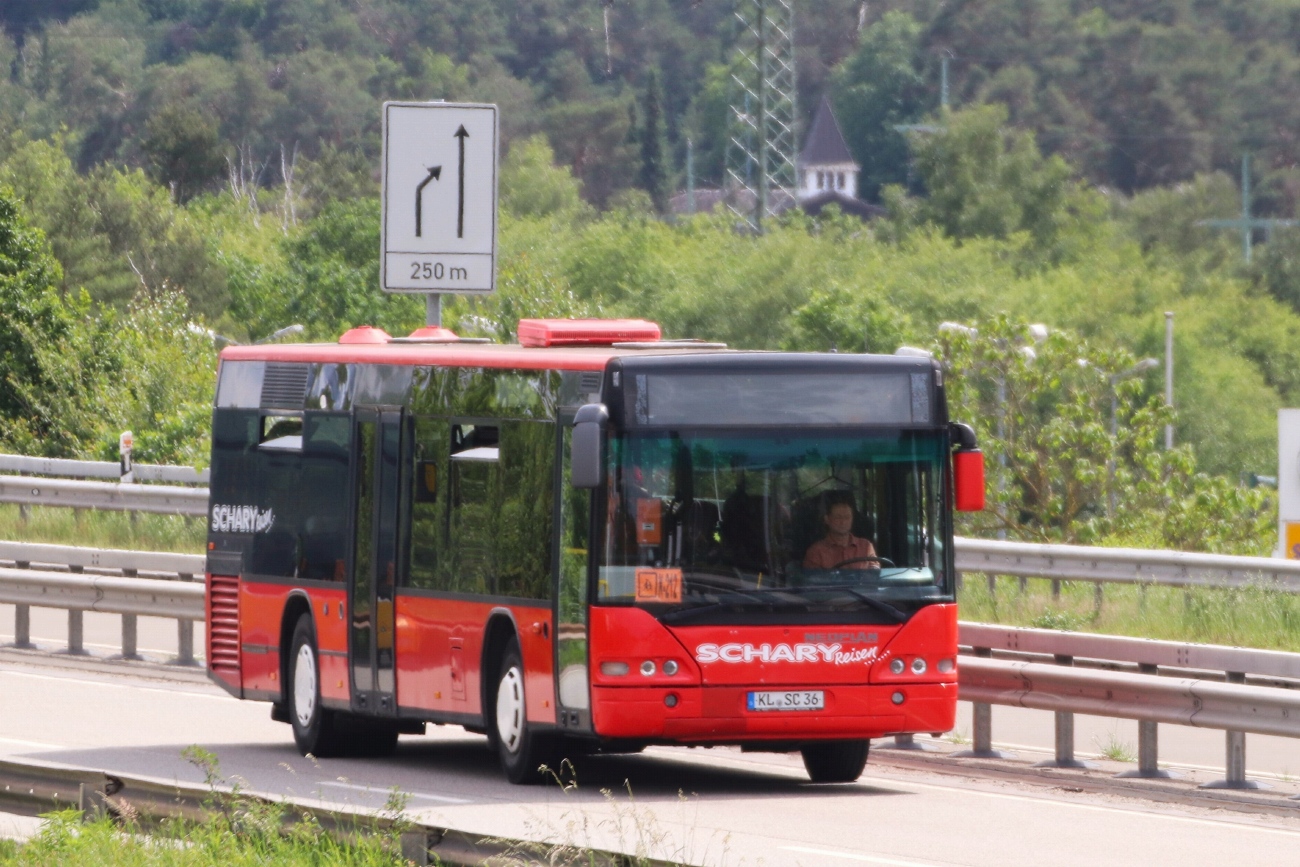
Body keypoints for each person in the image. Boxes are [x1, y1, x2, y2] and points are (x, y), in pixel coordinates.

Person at [802, 499, 876, 569]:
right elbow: (812, 580)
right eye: (838, 517)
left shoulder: (866, 547)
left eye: (847, 517)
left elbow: (875, 575)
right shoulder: (816, 552)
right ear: (827, 519)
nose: (843, 522)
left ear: (852, 519)